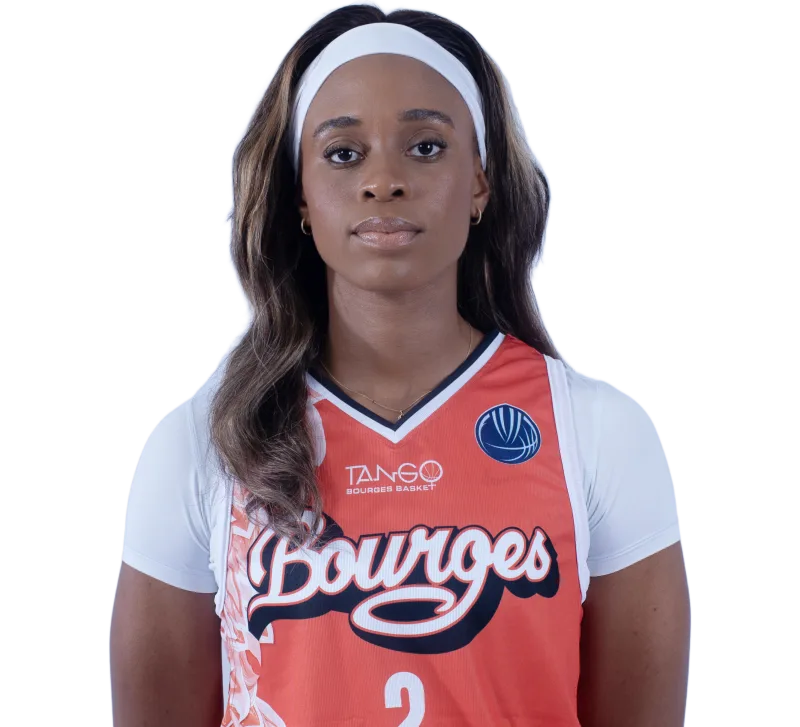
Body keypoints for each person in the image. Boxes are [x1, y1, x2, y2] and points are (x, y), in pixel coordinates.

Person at [108, 1, 691, 725]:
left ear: (479, 182)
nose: (383, 180)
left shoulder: (598, 431)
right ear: (300, 196)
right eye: (343, 153)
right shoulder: (203, 442)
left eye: (426, 146)